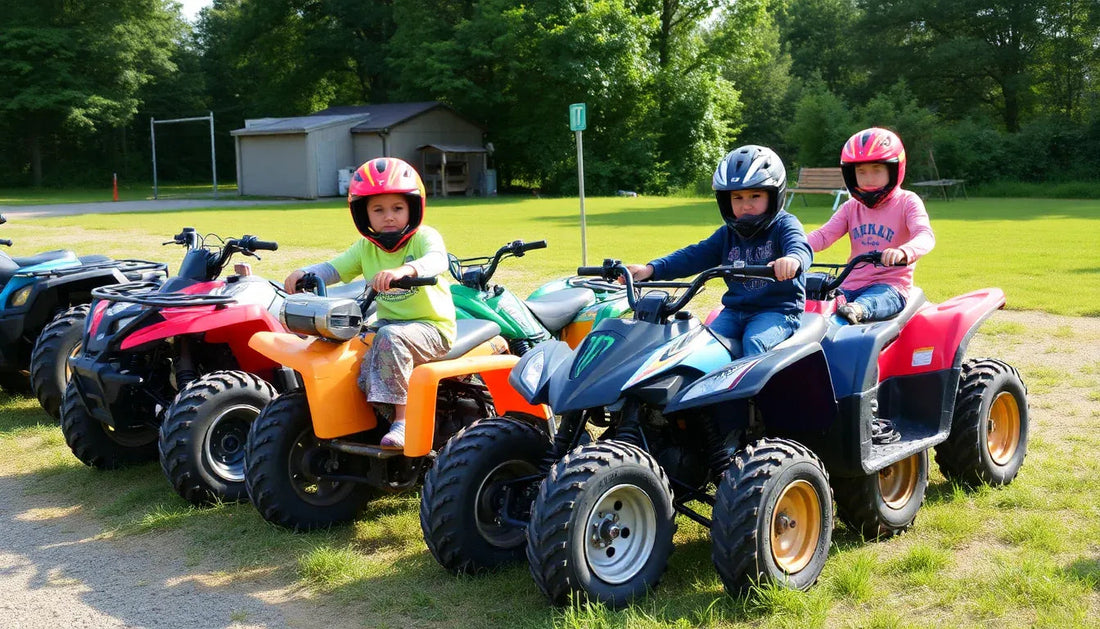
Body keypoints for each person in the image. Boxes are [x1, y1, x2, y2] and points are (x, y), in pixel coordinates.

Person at [283, 157, 456, 448]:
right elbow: (334, 268)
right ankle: (357, 418)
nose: (389, 216)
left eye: (397, 208)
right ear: (363, 214)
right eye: (378, 210)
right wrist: (305, 273)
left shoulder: (424, 237)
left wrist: (405, 270)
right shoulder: (366, 247)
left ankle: (404, 422)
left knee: (389, 337)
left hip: (432, 328)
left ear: (413, 208)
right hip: (389, 325)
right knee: (347, 343)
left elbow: (438, 260)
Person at [623, 145, 813, 357]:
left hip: (777, 311)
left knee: (754, 342)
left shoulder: (785, 225)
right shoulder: (728, 234)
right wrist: (651, 269)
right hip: (734, 311)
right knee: (703, 345)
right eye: (737, 198)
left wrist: (793, 259)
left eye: (755, 195)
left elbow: (800, 247)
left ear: (774, 195)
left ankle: (752, 381)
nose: (746, 205)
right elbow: (694, 255)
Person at [807, 127, 935, 324]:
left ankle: (859, 309)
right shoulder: (851, 207)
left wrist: (903, 252)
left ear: (894, 170)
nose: (868, 179)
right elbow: (824, 236)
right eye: (861, 172)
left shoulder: (907, 202)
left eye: (876, 170)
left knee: (868, 303)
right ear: (851, 174)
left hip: (891, 287)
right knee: (815, 307)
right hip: (849, 285)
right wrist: (793, 248)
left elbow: (925, 235)